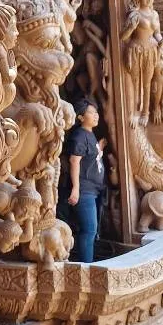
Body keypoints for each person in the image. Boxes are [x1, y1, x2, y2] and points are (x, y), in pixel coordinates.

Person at [61, 98, 105, 261]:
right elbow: (75, 160)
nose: (96, 115)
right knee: (89, 230)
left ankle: (87, 263)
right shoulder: (80, 135)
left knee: (91, 230)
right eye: (91, 113)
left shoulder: (89, 135)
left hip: (93, 190)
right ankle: (86, 267)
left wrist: (99, 148)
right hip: (84, 190)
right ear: (80, 117)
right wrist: (76, 189)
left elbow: (89, 158)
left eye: (96, 112)